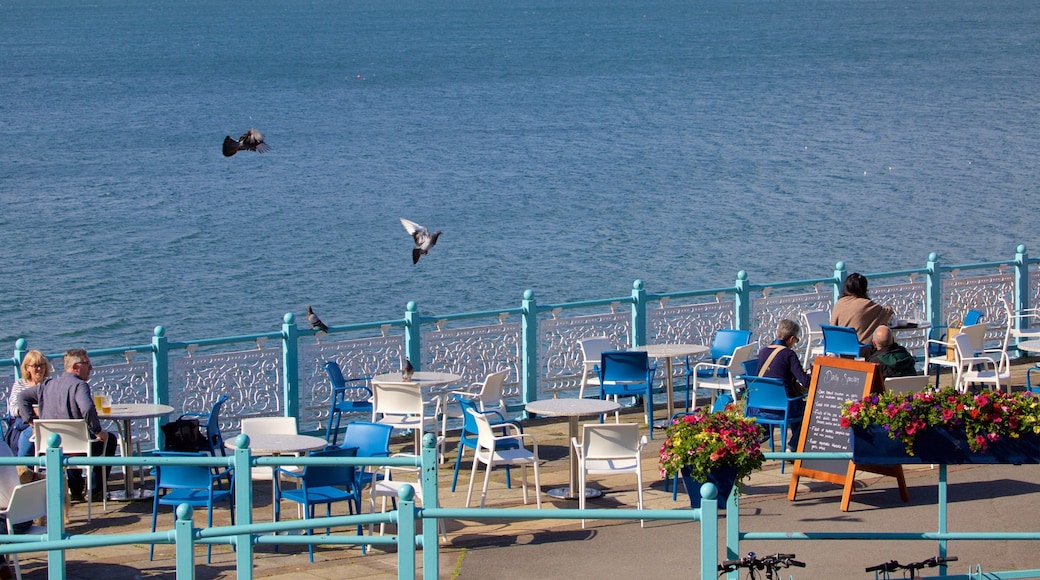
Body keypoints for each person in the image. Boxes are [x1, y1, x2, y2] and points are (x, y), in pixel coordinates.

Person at [16, 349, 118, 502]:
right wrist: (98, 431)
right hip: (77, 447)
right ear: (76, 367)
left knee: (73, 441)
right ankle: (96, 491)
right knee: (109, 440)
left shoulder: (47, 385)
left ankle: (76, 491)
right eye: (87, 364)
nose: (91, 368)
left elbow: (22, 397)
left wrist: (31, 422)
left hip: (49, 447)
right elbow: (87, 408)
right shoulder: (80, 385)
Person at [755, 319, 811, 452]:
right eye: (796, 340)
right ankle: (793, 446)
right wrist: (812, 373)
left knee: (796, 404)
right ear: (791, 339)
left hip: (761, 405)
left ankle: (756, 439)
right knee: (809, 410)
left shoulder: (763, 351)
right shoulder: (789, 354)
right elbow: (805, 382)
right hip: (783, 408)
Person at [6, 350, 50, 457]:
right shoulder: (20, 384)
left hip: (46, 420)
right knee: (27, 434)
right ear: (27, 368)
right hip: (24, 421)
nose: (39, 369)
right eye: (35, 366)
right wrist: (29, 411)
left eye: (42, 365)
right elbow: (13, 408)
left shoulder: (50, 383)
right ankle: (24, 463)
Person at [831, 272, 895, 344]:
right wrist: (889, 307)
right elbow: (886, 313)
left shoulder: (839, 303)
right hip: (860, 348)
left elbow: (832, 326)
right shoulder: (867, 304)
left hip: (838, 346)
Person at [0, 439, 30, 580]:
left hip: (8, 519)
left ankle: (2, 567)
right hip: (22, 515)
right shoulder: (2, 444)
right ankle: (2, 566)